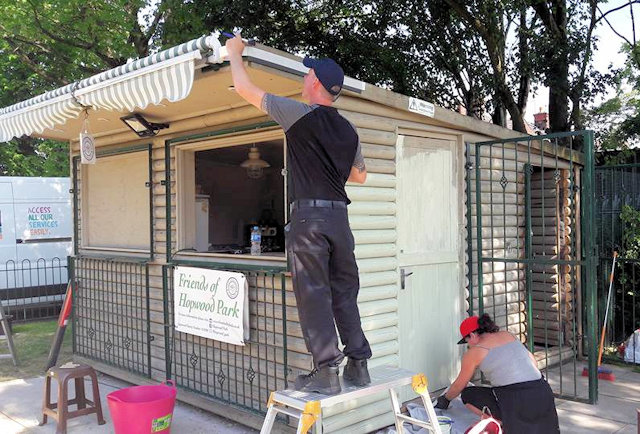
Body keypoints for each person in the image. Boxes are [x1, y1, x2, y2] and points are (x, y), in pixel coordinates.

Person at [225, 34, 372, 394]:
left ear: (316, 84)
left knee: (314, 294)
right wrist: (330, 163)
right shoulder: (348, 128)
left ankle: (325, 372)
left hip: (309, 219)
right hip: (340, 219)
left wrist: (234, 52)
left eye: (307, 75)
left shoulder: (299, 114)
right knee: (344, 293)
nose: (303, 79)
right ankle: (358, 365)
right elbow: (360, 176)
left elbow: (243, 88)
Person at [434, 314, 560, 433]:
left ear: (472, 335)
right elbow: (532, 361)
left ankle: (501, 423)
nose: (468, 345)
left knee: (468, 394)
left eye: (467, 341)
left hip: (516, 400)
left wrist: (445, 400)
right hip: (543, 393)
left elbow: (459, 385)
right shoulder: (508, 335)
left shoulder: (475, 352)